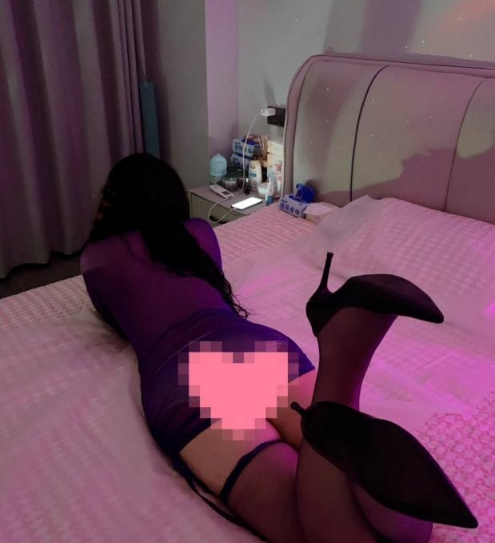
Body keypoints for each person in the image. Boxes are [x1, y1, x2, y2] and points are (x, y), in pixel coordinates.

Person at [81, 153, 477, 543]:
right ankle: (342, 367)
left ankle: (342, 363)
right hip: (259, 349)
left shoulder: (98, 259)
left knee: (310, 526)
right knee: (409, 527)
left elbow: (116, 317)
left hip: (184, 379)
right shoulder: (199, 234)